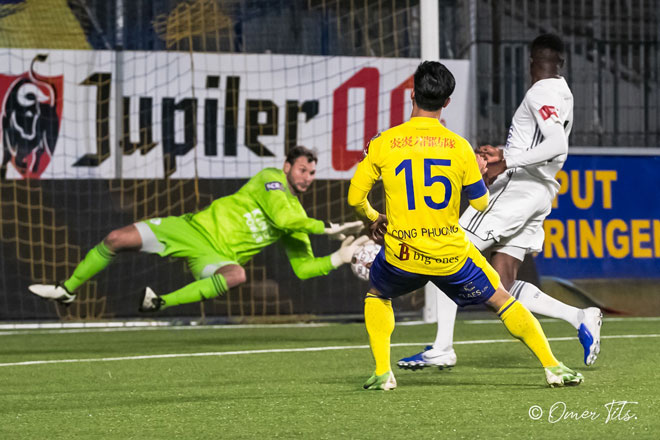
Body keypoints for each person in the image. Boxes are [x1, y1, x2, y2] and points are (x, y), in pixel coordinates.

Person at [347, 60, 583, 391]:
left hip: (403, 254)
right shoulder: (459, 147)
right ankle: (553, 366)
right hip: (451, 256)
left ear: (411, 95)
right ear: (446, 102)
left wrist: (374, 219)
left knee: (377, 293)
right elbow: (482, 204)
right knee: (502, 299)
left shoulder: (384, 141)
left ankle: (384, 372)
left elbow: (355, 199)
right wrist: (475, 171)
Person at [398, 34, 602, 371]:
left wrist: (506, 161)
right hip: (540, 192)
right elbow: (547, 145)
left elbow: (556, 146)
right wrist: (507, 155)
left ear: (532, 61)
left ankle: (442, 346)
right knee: (502, 281)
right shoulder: (564, 93)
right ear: (561, 62)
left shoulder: (540, 91)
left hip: (519, 189)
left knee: (447, 249)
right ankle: (580, 315)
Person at [29, 146, 367, 311]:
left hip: (214, 255)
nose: (307, 178)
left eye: (312, 173)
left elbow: (303, 269)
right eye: (303, 170)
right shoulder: (271, 179)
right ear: (287, 167)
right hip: (188, 229)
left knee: (236, 275)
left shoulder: (299, 219)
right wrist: (325, 227)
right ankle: (68, 289)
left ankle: (159, 303)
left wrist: (338, 258)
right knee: (116, 239)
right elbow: (282, 218)